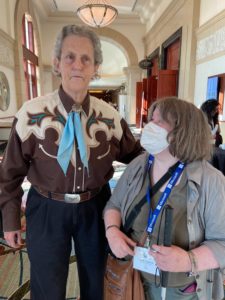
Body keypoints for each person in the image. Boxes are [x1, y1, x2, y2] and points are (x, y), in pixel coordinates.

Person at [0, 25, 142, 300]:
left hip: (97, 208)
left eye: (86, 59)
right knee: (47, 287)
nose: (78, 65)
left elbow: (137, 159)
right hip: (46, 210)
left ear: (96, 67)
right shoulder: (30, 114)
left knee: (97, 283)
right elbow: (10, 173)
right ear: (56, 63)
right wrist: (9, 220)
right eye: (70, 57)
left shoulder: (110, 117)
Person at [104, 97, 225, 300]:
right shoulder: (139, 165)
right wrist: (112, 231)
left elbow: (222, 243)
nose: (149, 126)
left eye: (159, 121)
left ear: (182, 131)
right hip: (132, 278)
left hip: (180, 289)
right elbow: (114, 205)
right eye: (151, 119)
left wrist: (189, 260)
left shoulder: (211, 181)